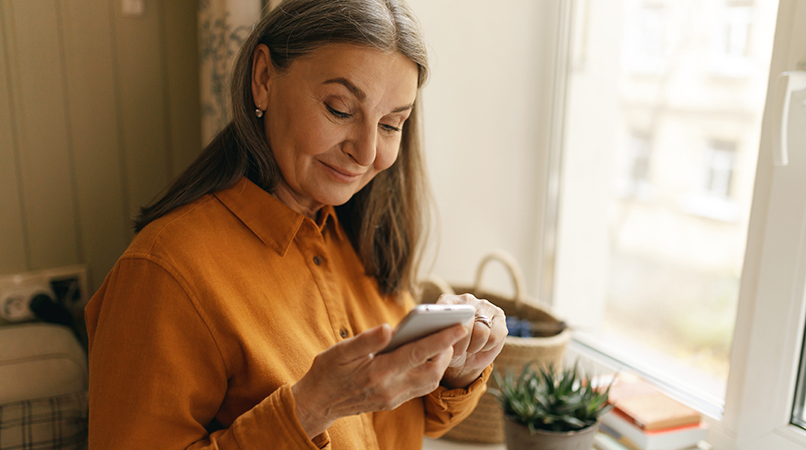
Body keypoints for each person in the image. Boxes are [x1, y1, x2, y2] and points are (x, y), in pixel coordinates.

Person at [84, 0, 507, 448]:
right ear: (263, 79)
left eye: (390, 124)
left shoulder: (361, 237)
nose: (366, 153)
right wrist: (309, 409)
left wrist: (456, 368)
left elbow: (400, 422)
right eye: (340, 109)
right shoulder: (163, 272)